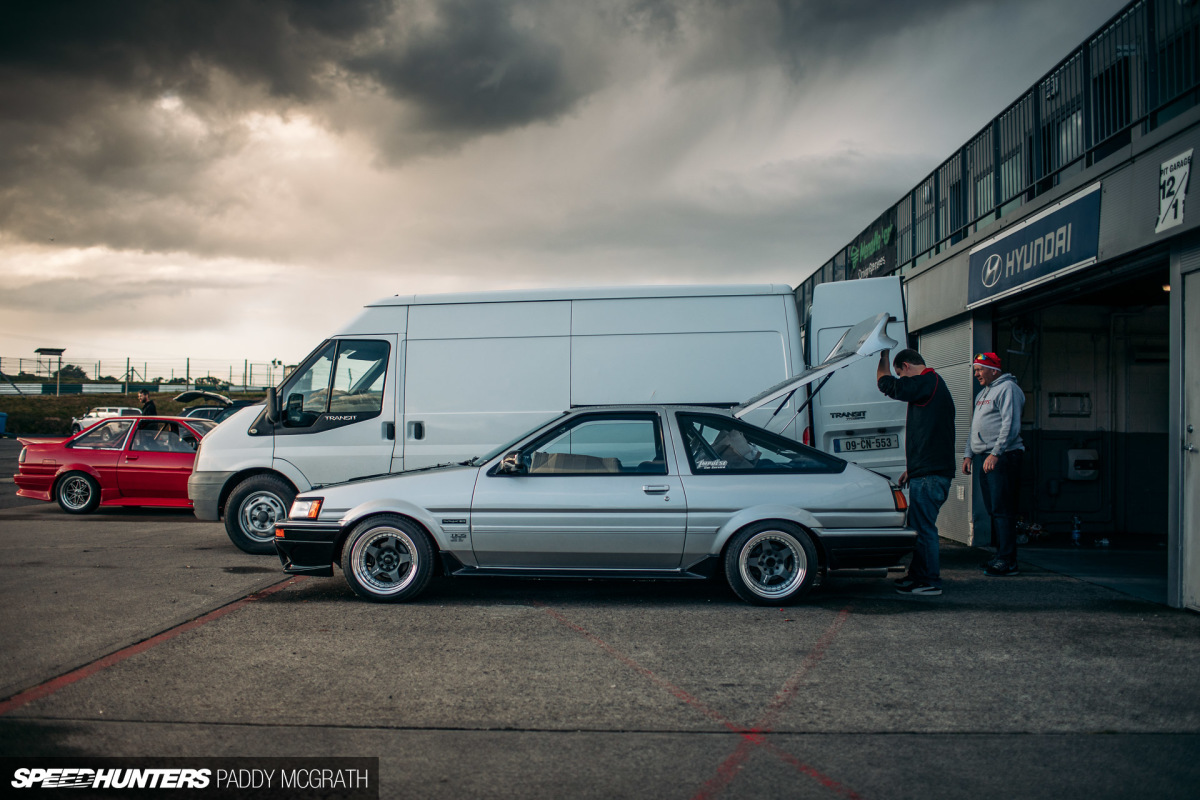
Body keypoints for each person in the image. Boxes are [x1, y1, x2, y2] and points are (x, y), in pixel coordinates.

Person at [877, 348, 956, 596]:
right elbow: (929, 435)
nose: (901, 379)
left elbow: (887, 385)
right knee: (920, 526)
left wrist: (883, 359)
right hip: (927, 471)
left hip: (931, 475)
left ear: (907, 367)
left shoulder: (928, 382)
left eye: (901, 374)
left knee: (924, 529)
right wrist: (912, 469)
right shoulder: (931, 385)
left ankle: (930, 581)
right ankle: (918, 577)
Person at [962, 352, 1025, 577]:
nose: (976, 373)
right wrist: (968, 455)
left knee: (1003, 509)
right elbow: (974, 426)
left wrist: (996, 453)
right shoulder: (984, 393)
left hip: (1003, 457)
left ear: (993, 370)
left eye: (980, 369)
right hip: (985, 458)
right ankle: (1001, 556)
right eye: (975, 369)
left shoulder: (1008, 389)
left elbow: (1010, 425)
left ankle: (1008, 561)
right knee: (993, 509)